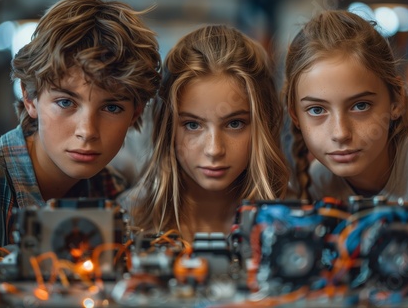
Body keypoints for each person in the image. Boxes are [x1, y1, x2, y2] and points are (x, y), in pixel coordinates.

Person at [0, 0, 161, 246]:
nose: (87, 131)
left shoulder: (111, 190)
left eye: (111, 107)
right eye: (66, 102)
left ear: (136, 113)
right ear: (30, 97)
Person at [121, 25, 290, 242]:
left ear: (262, 125)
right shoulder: (125, 221)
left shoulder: (297, 219)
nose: (214, 150)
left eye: (235, 124)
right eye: (193, 125)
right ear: (167, 127)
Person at [282, 9, 408, 214]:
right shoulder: (321, 181)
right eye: (317, 109)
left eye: (360, 106)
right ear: (295, 115)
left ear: (396, 99)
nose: (340, 133)